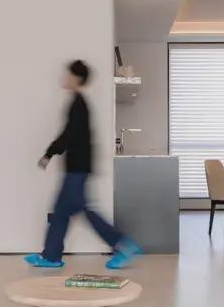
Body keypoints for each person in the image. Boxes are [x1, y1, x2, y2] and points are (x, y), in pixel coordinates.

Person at [24, 60, 141, 269]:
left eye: (68, 75)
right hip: (76, 167)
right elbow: (70, 134)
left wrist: (49, 153)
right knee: (61, 211)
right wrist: (52, 152)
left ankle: (122, 245)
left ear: (76, 78)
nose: (64, 78)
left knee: (81, 210)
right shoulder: (78, 102)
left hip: (77, 168)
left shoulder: (79, 104)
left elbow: (69, 134)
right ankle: (51, 256)